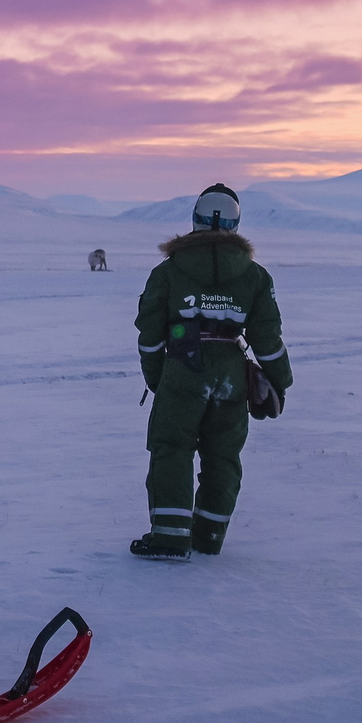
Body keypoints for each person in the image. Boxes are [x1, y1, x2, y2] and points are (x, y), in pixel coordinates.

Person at [132, 183, 291, 561]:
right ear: (235, 222)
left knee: (172, 449)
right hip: (231, 376)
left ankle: (171, 536)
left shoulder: (168, 272)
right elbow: (268, 338)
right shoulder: (255, 276)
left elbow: (150, 335)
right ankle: (209, 535)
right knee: (223, 456)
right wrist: (279, 382)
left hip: (182, 370)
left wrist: (158, 378)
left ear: (195, 220)